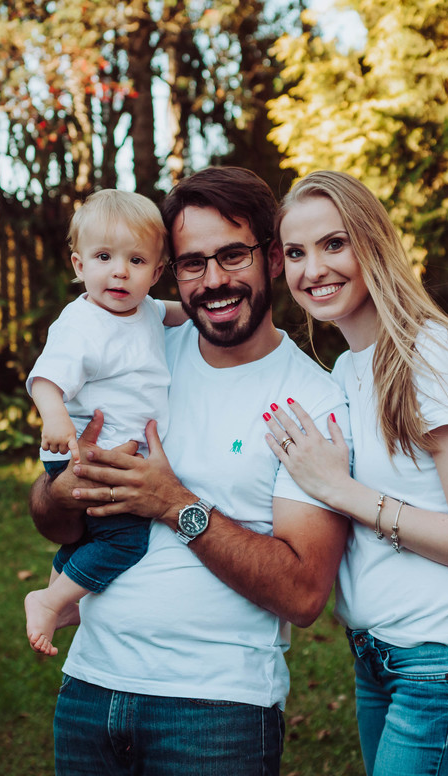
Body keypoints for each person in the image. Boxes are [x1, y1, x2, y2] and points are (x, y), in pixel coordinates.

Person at [27, 166, 351, 775]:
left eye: (233, 255)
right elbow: (51, 519)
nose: (215, 280)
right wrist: (66, 489)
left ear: (273, 259)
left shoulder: (314, 400)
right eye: (193, 263)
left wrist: (175, 504)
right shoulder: (138, 348)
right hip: (90, 690)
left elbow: (305, 595)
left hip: (217, 712)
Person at [262, 171, 448, 776]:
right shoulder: (350, 367)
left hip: (444, 662)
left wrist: (340, 492)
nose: (312, 269)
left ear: (373, 243)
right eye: (295, 253)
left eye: (333, 243)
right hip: (378, 658)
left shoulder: (433, 353)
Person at [23, 188, 187, 657]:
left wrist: (202, 307)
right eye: (103, 257)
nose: (120, 270)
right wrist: (55, 419)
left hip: (113, 457)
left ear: (156, 274)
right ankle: (52, 599)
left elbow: (176, 312)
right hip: (89, 458)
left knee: (96, 535)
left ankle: (64, 593)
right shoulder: (82, 324)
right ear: (79, 266)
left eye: (136, 261)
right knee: (125, 541)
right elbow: (45, 379)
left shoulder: (147, 311)